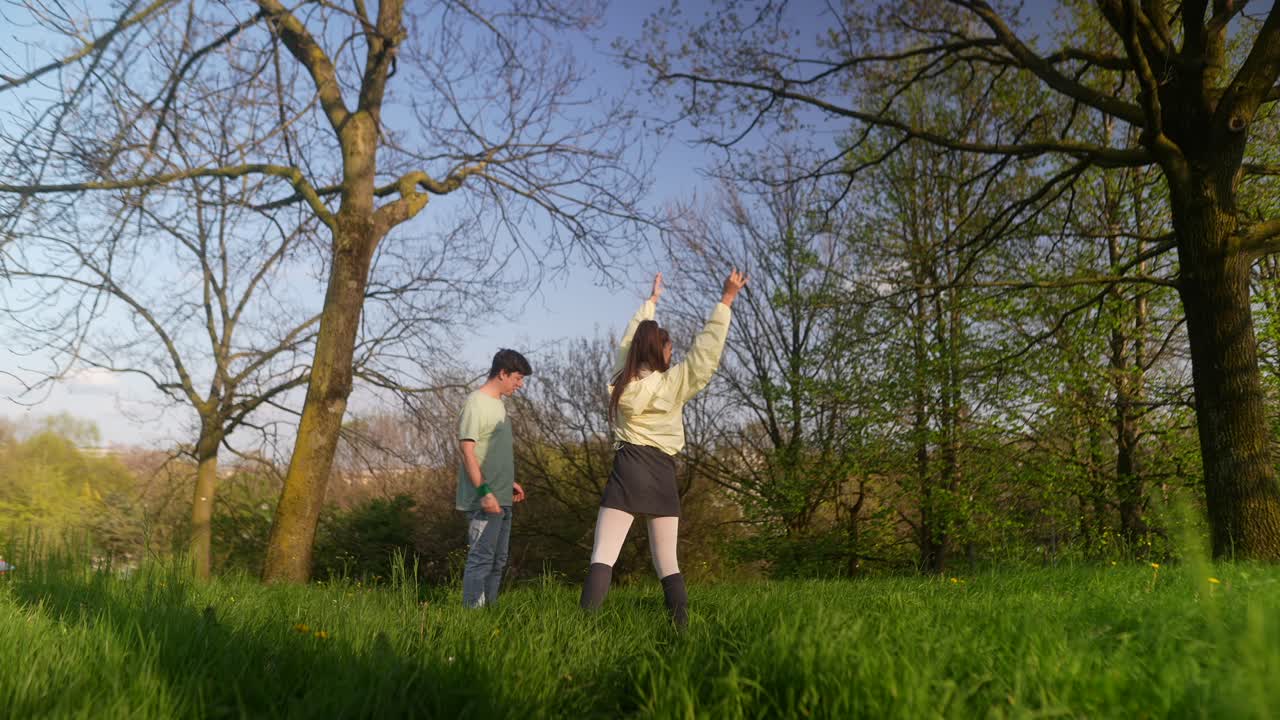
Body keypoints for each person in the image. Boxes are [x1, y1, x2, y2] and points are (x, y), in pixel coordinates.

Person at [579, 269, 748, 626]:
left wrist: (651, 303)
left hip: (628, 468)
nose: (673, 354)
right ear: (660, 351)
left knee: (603, 556)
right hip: (661, 473)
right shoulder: (673, 383)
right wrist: (726, 300)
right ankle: (681, 632)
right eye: (670, 349)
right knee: (668, 563)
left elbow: (629, 339)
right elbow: (705, 354)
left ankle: (582, 631)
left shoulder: (620, 381)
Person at [456, 348, 532, 608]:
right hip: (484, 499)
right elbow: (467, 451)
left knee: (498, 562)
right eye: (517, 378)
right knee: (481, 560)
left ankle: (490, 612)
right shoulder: (475, 403)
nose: (520, 385)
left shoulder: (499, 405)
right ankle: (472, 618)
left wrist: (507, 481)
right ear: (502, 373)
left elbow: (490, 451)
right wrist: (484, 492)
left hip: (502, 496)